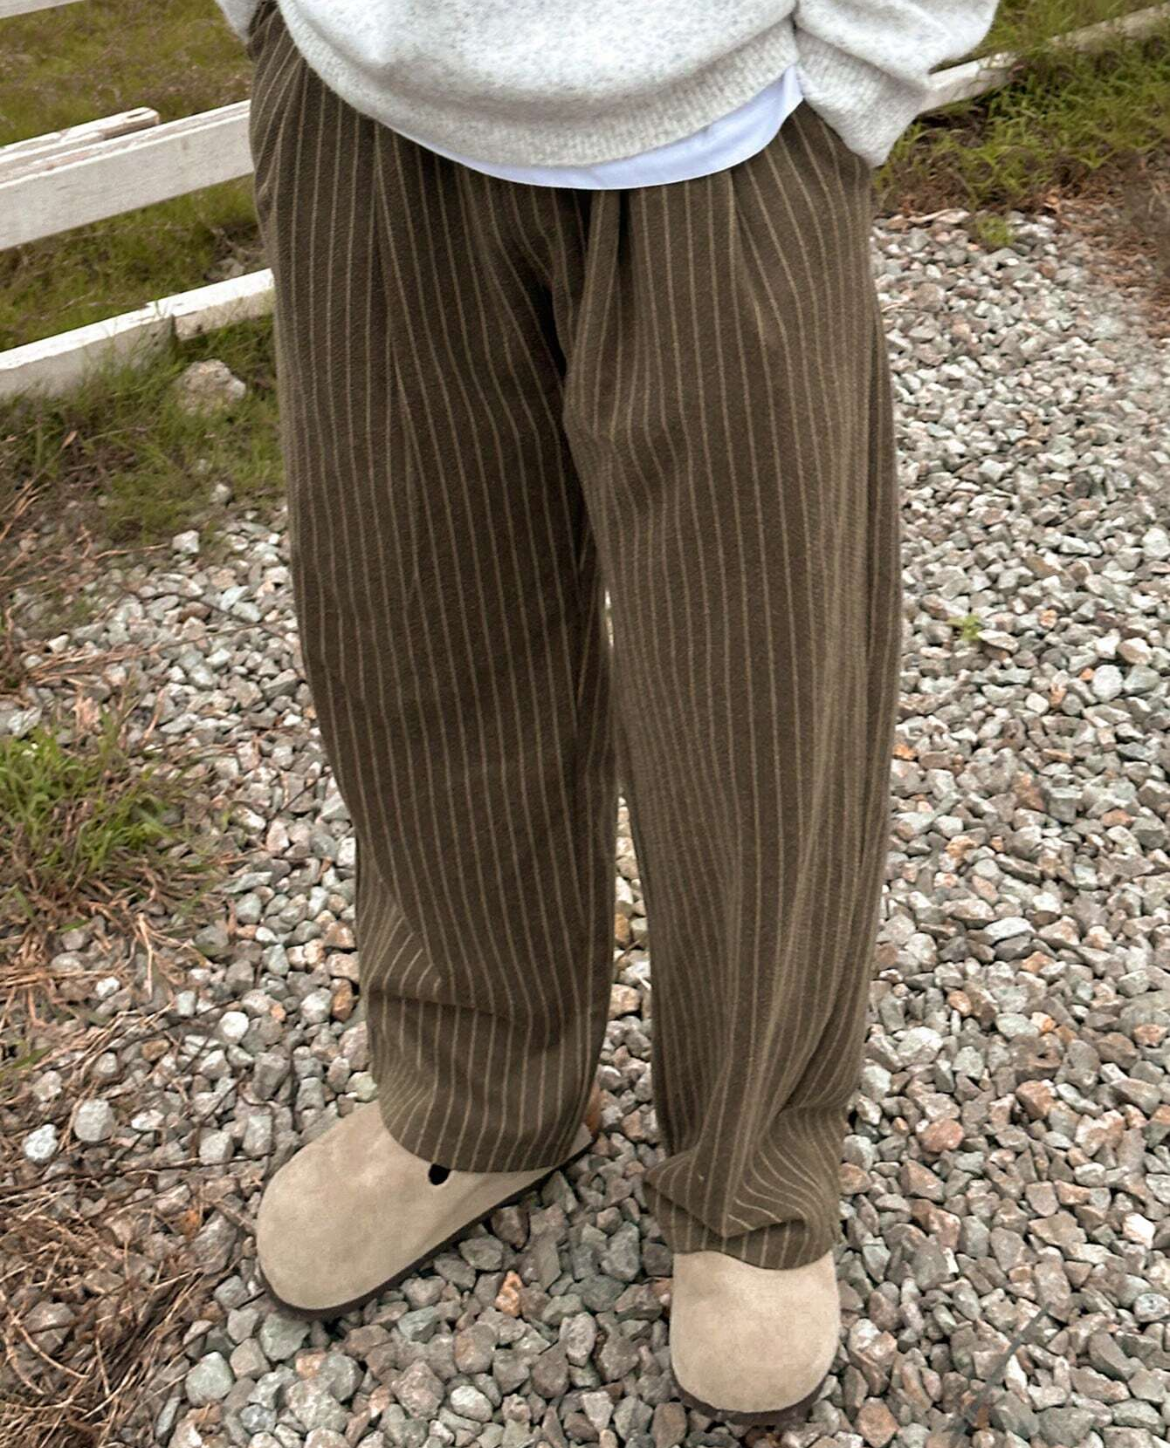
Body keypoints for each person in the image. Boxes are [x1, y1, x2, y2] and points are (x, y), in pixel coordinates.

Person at [216, 0, 1001, 1427]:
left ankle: (754, 1171)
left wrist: (859, 65)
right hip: (360, 98)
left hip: (726, 119)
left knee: (760, 701)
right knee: (414, 632)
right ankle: (477, 1089)